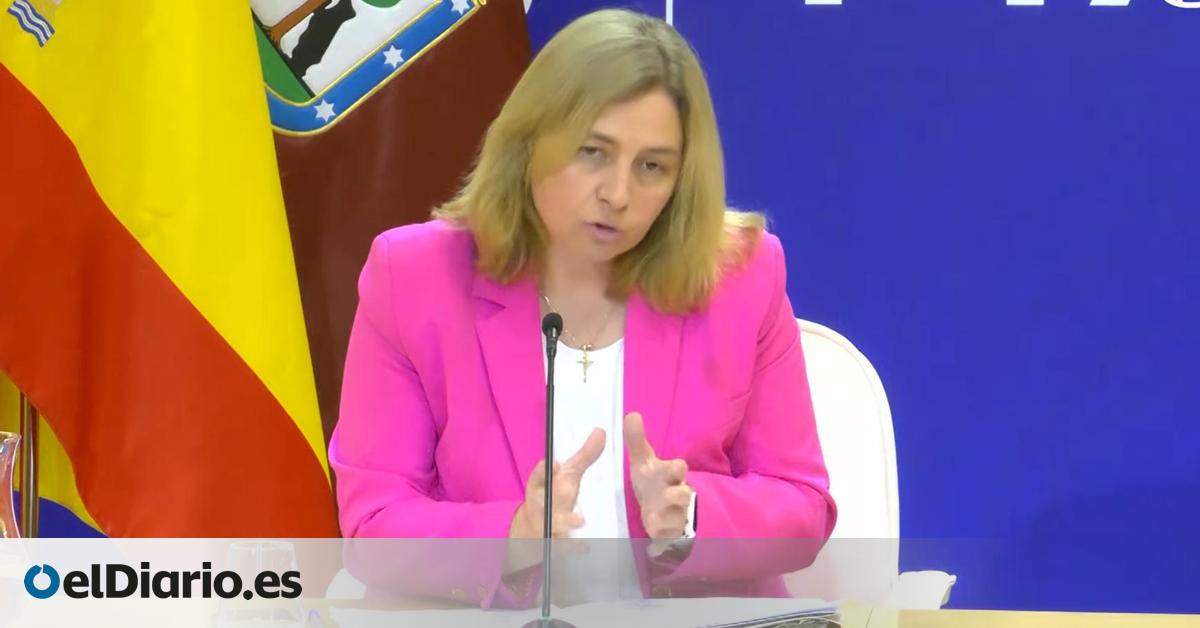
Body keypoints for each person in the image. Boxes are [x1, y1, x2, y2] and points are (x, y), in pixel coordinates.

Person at [329, 8, 836, 609]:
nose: (618, 194)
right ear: (529, 142)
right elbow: (374, 525)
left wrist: (693, 516)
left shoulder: (740, 277)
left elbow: (802, 506)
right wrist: (512, 539)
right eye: (593, 152)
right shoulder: (415, 278)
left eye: (652, 167)